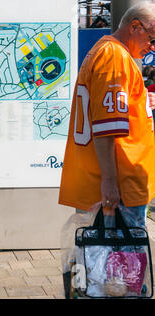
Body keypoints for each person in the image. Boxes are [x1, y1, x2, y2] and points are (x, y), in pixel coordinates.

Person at [59, 1, 155, 229]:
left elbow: (112, 110)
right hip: (123, 187)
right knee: (122, 260)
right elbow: (106, 126)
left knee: (111, 258)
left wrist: (143, 102)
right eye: (152, 38)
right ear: (134, 27)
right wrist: (110, 182)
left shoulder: (107, 51)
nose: (152, 47)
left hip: (124, 184)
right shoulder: (115, 57)